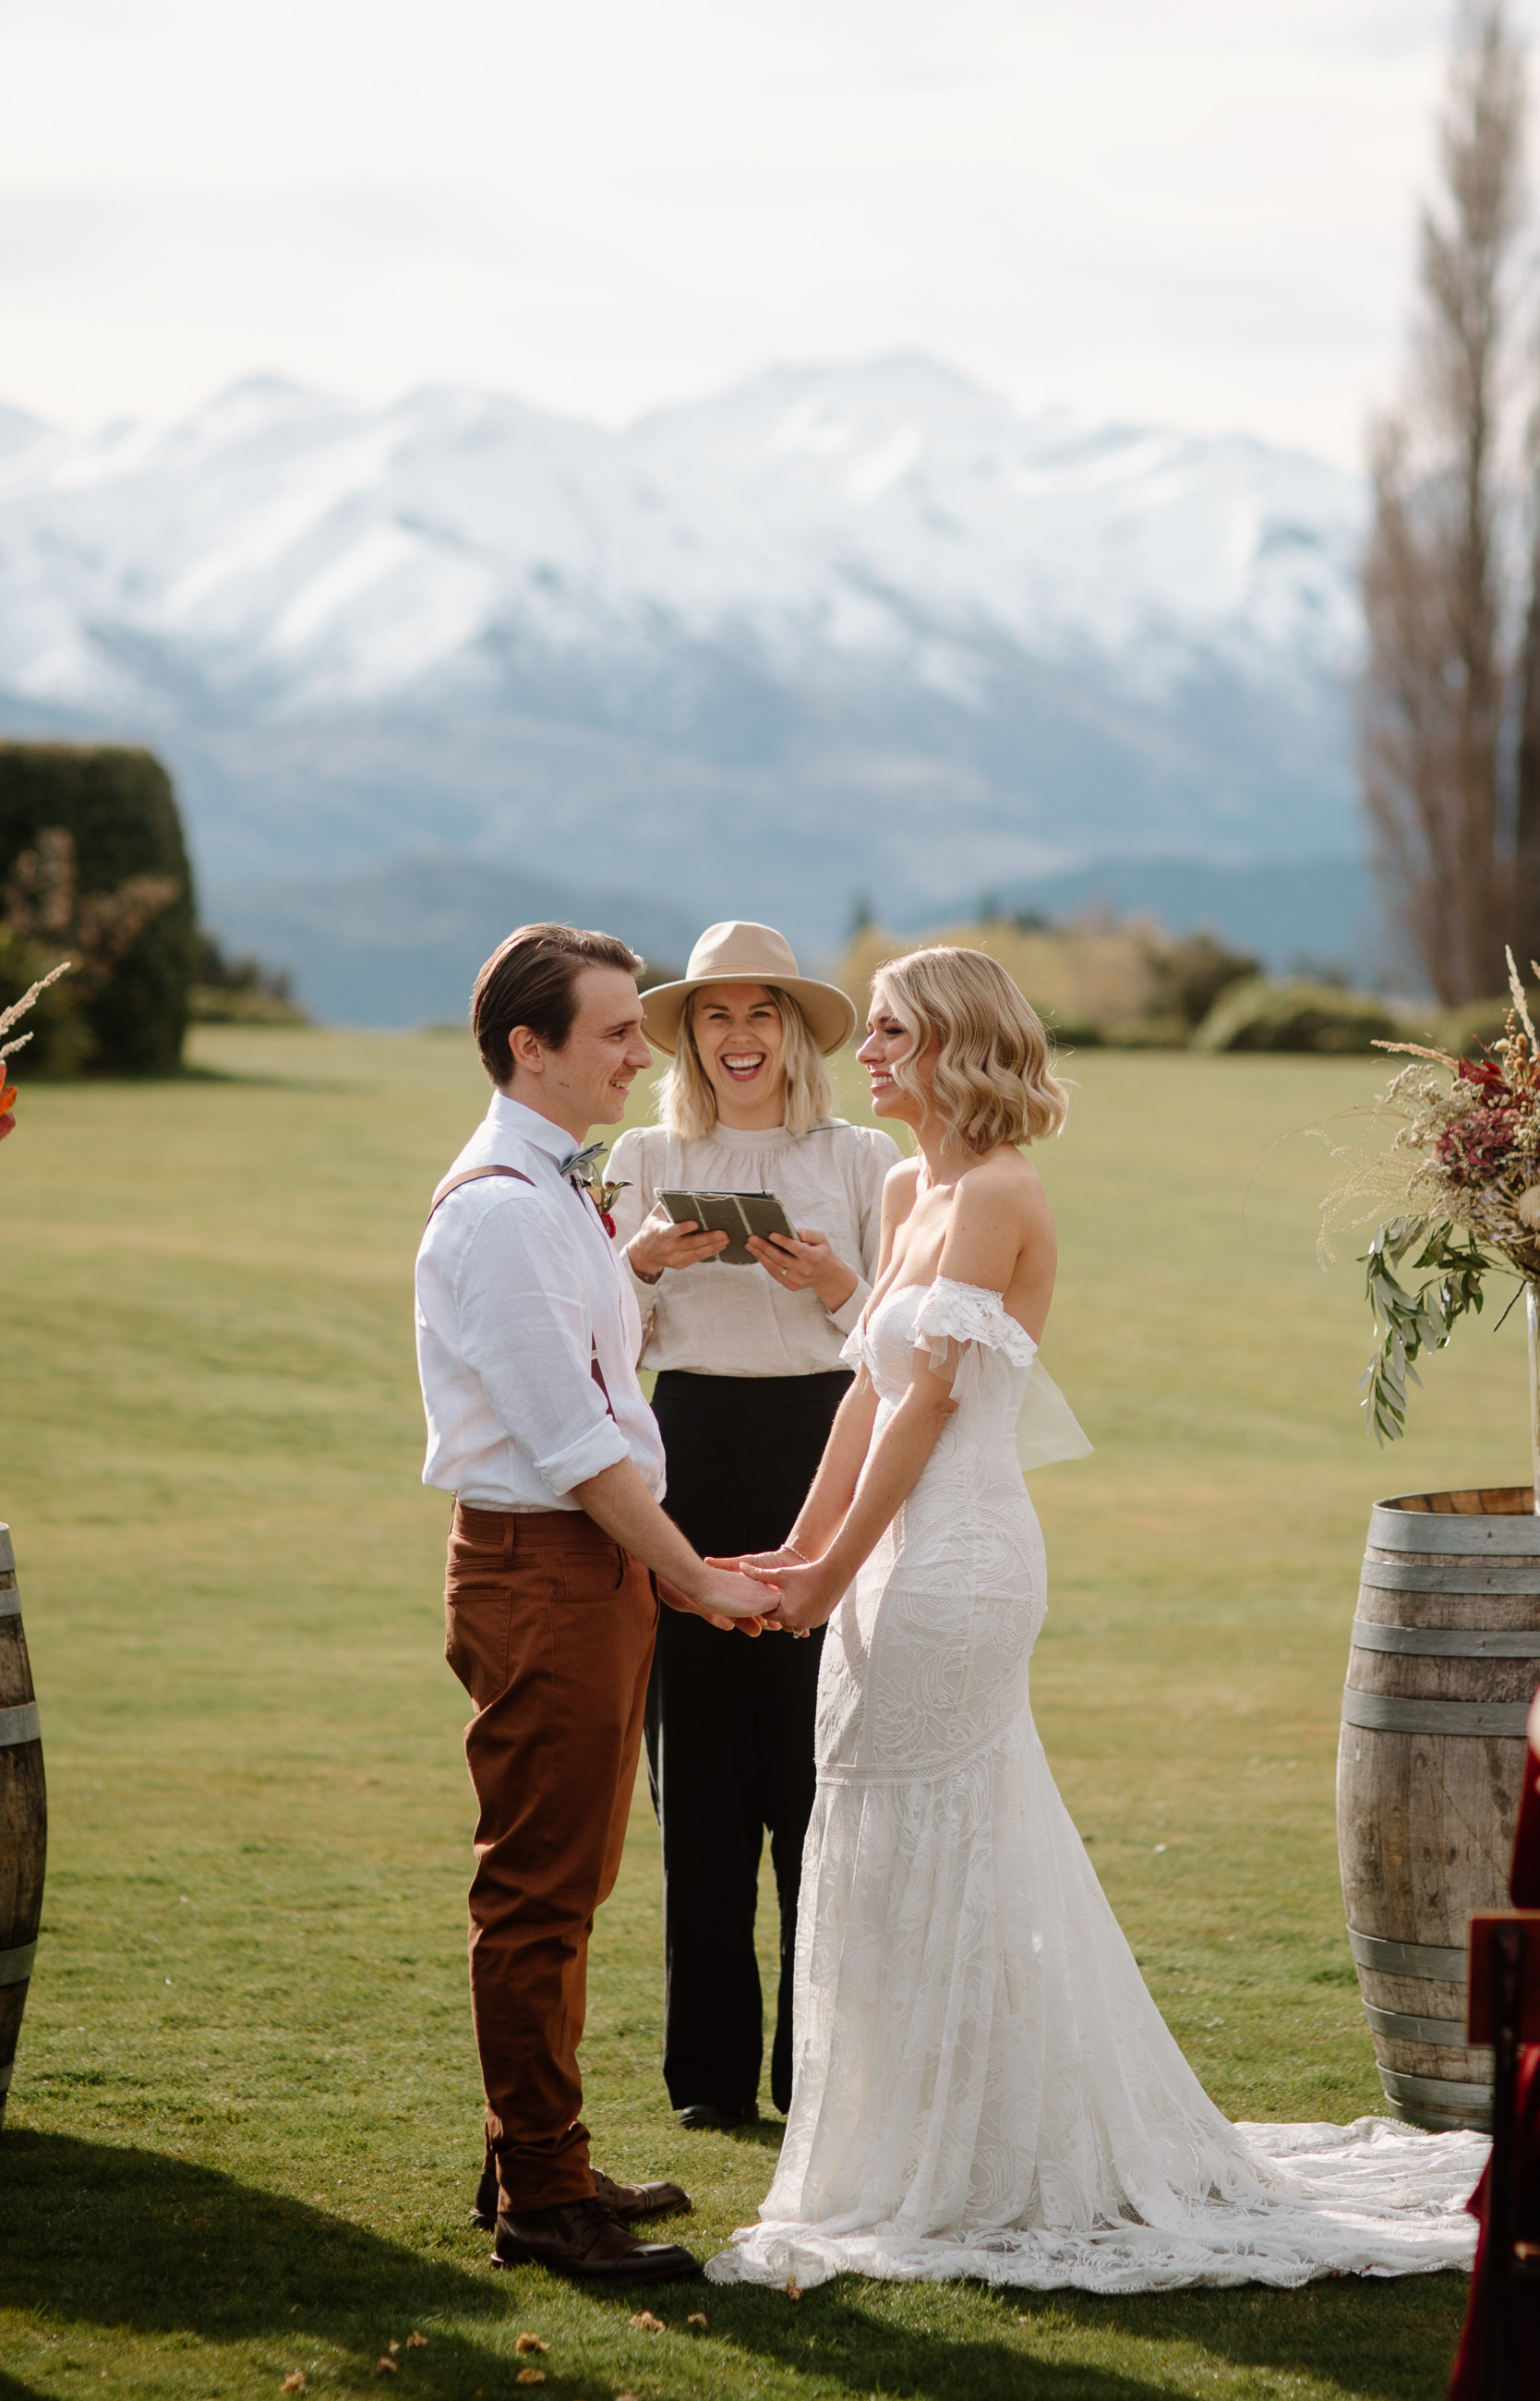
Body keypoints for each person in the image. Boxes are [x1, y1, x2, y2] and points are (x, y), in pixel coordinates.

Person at [707, 945, 1486, 2293]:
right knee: (879, 1833)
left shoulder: (1001, 1194)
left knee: (946, 1829)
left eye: (890, 1031)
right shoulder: (909, 1189)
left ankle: (985, 2158)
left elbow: (935, 1402)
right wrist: (804, 1544)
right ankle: (914, 2142)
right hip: (889, 1555)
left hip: (960, 1563)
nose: (868, 1053)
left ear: (953, 1044)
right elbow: (862, 1392)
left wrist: (831, 1576)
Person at [414, 923, 778, 2287]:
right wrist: (688, 1573)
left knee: (572, 1877)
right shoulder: (503, 1207)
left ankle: (535, 2155)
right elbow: (568, 1445)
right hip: (544, 1566)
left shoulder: (554, 1195)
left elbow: (574, 1355)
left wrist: (630, 1268)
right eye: (619, 1031)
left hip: (584, 1566)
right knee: (538, 1891)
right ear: (531, 1045)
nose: (645, 1052)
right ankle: (544, 2203)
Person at [607, 922, 900, 2132]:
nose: (739, 1036)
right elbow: (593, 1350)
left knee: (818, 1777)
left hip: (825, 1455)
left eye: (760, 1013)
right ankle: (711, 2086)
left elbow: (915, 1338)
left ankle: (819, 2079)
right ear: (687, 1035)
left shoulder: (862, 1156)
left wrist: (833, 1284)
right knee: (701, 1786)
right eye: (715, 1015)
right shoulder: (636, 1154)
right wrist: (635, 1264)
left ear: (792, 1030)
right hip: (690, 1460)